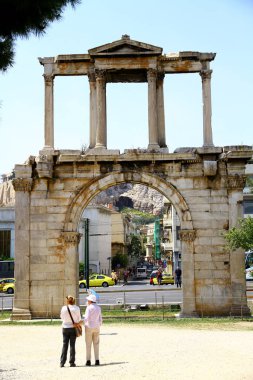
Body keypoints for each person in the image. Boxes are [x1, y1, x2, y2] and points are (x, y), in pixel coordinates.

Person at [60, 295, 82, 368]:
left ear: (67, 301)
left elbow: (61, 317)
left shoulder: (64, 308)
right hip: (73, 328)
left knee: (64, 345)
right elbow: (79, 319)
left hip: (65, 327)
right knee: (72, 345)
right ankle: (72, 362)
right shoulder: (77, 308)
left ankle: (62, 362)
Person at [84, 294, 102, 366]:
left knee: (88, 344)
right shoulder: (98, 308)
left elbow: (87, 318)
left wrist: (83, 322)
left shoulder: (88, 308)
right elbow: (100, 318)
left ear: (90, 301)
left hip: (89, 327)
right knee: (96, 343)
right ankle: (97, 360)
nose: (87, 301)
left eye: (88, 300)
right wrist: (99, 324)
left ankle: (88, 361)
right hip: (97, 327)